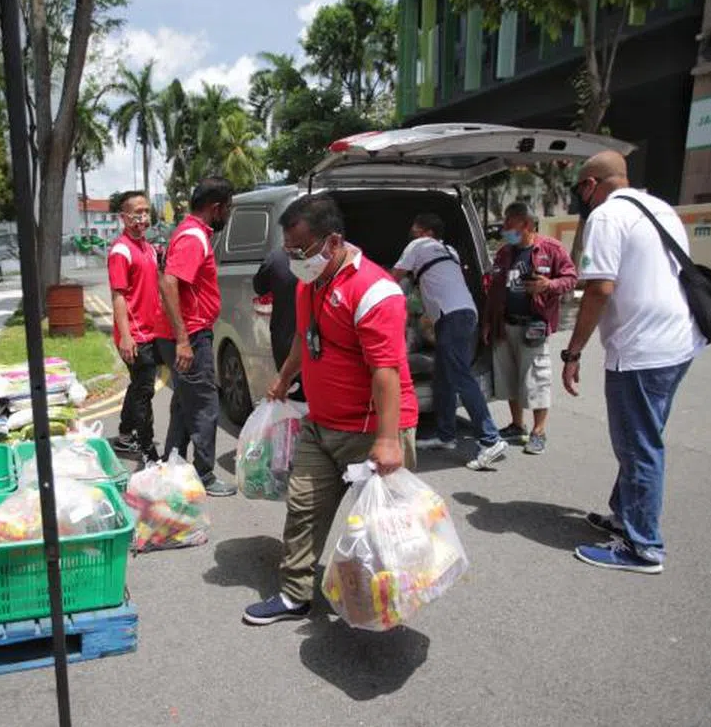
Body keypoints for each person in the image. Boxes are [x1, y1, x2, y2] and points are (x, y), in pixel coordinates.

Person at [243, 194, 418, 625]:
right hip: (320, 423)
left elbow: (386, 370)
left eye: (300, 250)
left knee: (378, 526)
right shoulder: (311, 282)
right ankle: (294, 595)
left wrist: (387, 440)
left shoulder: (375, 291)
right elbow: (304, 338)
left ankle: (382, 603)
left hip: (369, 430)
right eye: (288, 250)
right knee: (302, 508)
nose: (294, 260)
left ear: (333, 242)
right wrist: (284, 379)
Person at [561, 151, 704, 574]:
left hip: (641, 350)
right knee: (643, 438)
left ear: (590, 184)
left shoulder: (606, 216)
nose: (581, 197)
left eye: (580, 189)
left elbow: (599, 289)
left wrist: (574, 351)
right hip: (678, 343)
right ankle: (624, 516)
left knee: (638, 446)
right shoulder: (661, 208)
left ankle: (643, 548)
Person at [392, 214, 507, 471]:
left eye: (415, 229)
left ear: (426, 232)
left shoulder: (418, 245)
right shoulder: (450, 251)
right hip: (464, 313)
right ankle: (445, 435)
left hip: (452, 317)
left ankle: (490, 439)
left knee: (459, 375)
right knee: (443, 376)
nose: (412, 234)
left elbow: (393, 277)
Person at [156, 177, 237, 497]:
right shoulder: (193, 237)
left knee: (184, 404)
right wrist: (183, 340)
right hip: (189, 335)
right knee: (204, 405)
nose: (227, 214)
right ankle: (204, 474)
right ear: (215, 208)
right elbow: (169, 282)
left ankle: (170, 464)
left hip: (187, 333)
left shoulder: (191, 233)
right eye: (227, 208)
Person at [482, 203, 578, 455]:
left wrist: (548, 285)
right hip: (505, 324)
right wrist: (489, 321)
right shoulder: (504, 253)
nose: (504, 228)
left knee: (537, 379)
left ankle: (539, 431)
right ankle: (517, 425)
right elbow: (494, 290)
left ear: (525, 224)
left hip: (533, 326)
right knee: (509, 377)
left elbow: (571, 278)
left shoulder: (551, 248)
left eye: (509, 223)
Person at [108, 191, 170, 464]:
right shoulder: (120, 251)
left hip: (152, 331)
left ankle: (125, 434)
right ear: (123, 217)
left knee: (139, 386)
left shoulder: (147, 248)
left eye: (146, 211)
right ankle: (146, 447)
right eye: (137, 213)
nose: (143, 217)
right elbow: (118, 295)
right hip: (135, 335)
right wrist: (126, 336)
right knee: (144, 390)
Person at [253, 244, 305, 402]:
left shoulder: (276, 257)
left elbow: (259, 286)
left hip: (285, 338)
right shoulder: (329, 258)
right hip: (312, 342)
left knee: (292, 397)